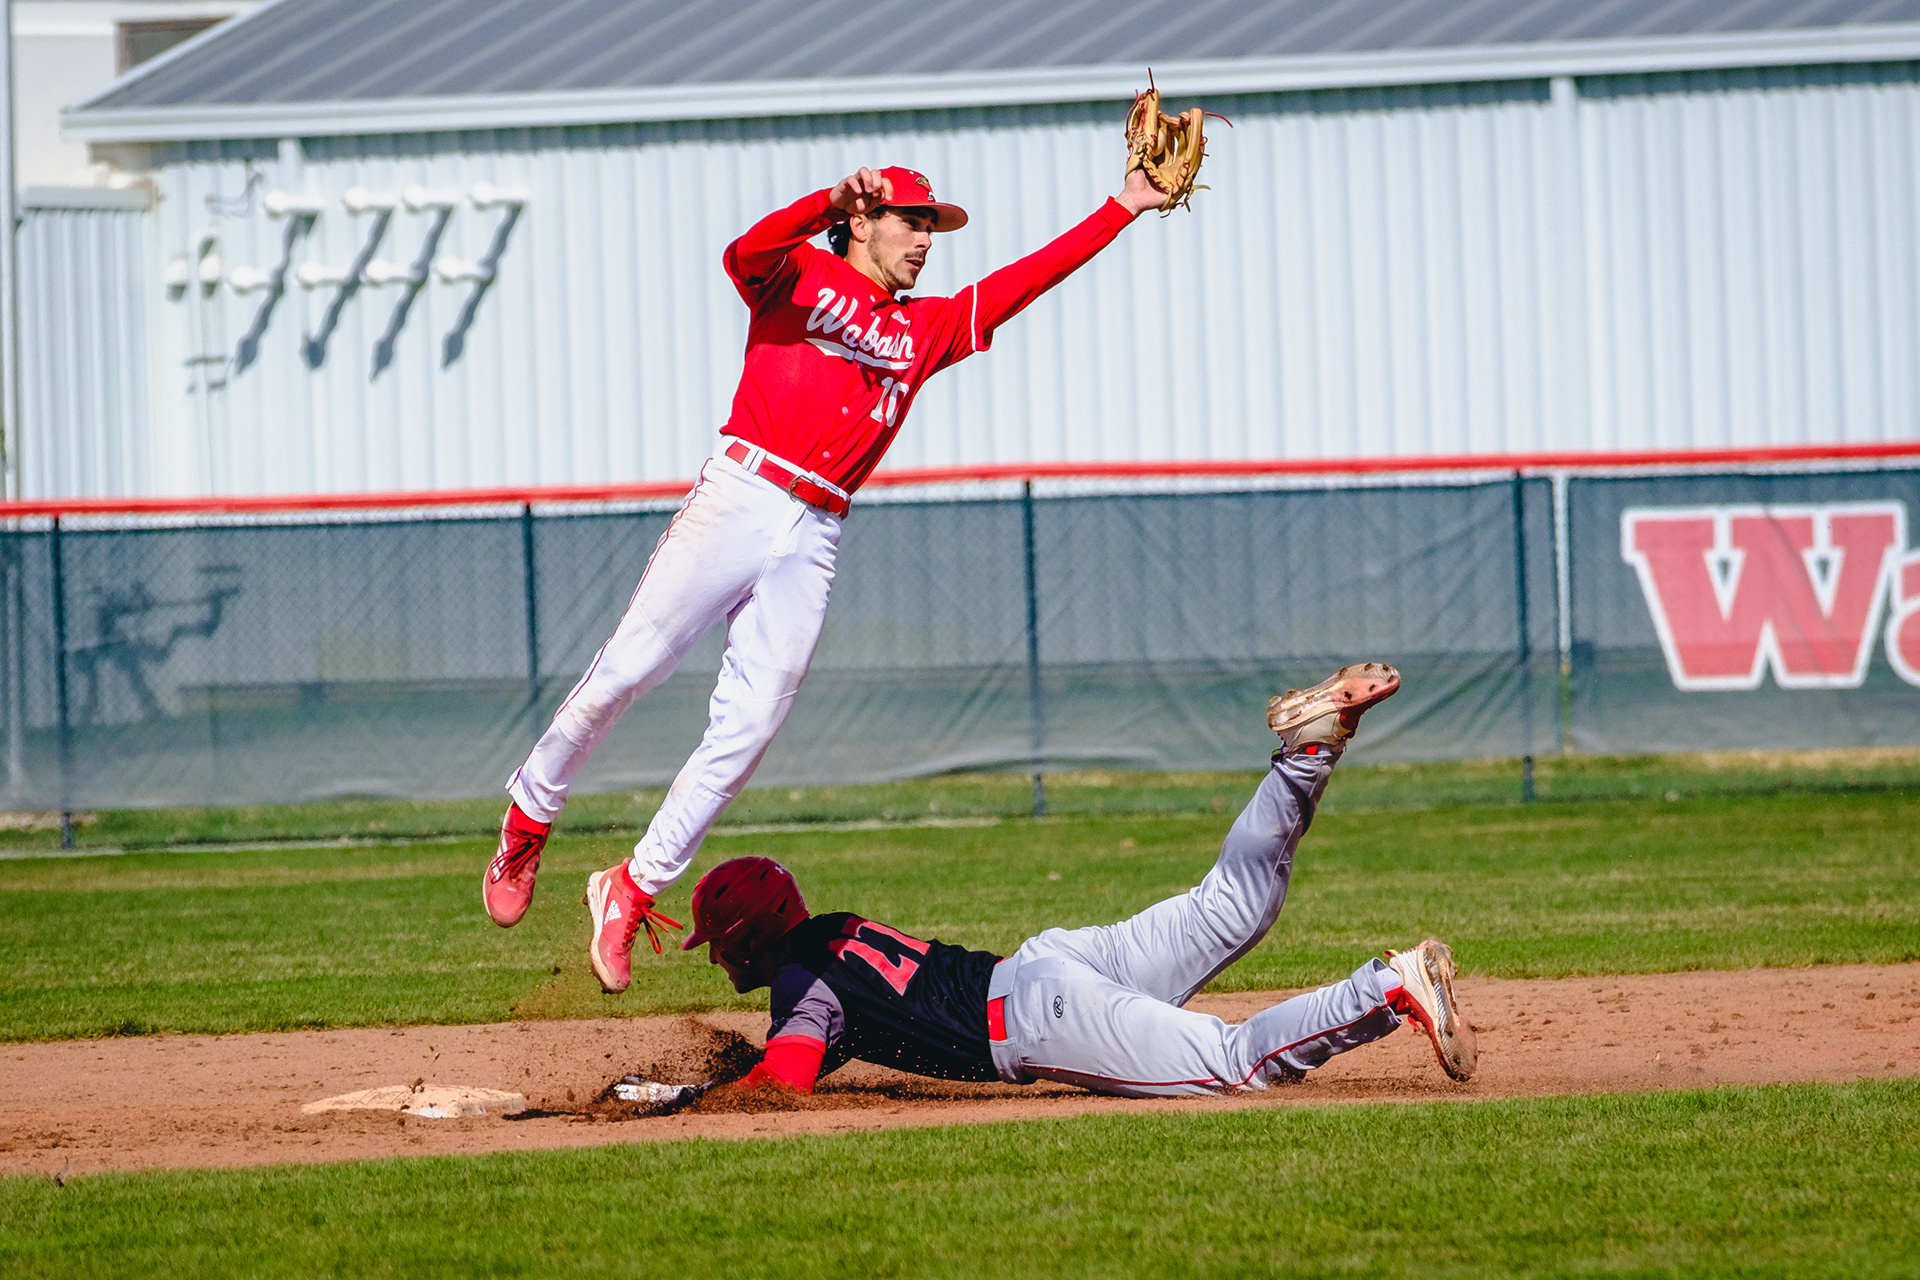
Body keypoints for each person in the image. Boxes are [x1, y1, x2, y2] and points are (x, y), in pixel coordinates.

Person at [483, 135, 1180, 997]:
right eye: (911, 221)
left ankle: (631, 887)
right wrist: (824, 201)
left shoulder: (921, 330)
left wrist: (1122, 207)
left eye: (932, 226)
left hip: (818, 526)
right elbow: (745, 252)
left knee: (749, 727)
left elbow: (1016, 287)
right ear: (864, 220)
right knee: (623, 673)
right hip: (744, 489)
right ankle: (529, 816)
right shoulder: (804, 274)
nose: (925, 239)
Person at [674, 665, 1479, 1101]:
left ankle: (1386, 988)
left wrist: (691, 1100)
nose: (715, 958)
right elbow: (840, 1033)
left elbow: (782, 1082)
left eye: (718, 942)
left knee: (1235, 1064)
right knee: (1232, 903)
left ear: (749, 933)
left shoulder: (799, 981)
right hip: (1050, 962)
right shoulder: (831, 936)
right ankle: (1310, 752)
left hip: (1037, 1018)